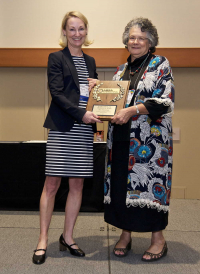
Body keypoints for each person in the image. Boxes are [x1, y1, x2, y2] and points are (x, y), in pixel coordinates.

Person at [32, 11, 101, 265]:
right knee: (52, 185)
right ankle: (42, 239)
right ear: (64, 32)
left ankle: (68, 237)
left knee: (77, 185)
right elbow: (57, 94)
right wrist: (81, 114)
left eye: (81, 29)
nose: (77, 34)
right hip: (63, 128)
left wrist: (97, 89)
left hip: (83, 131)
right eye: (72, 29)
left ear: (86, 31)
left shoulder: (91, 60)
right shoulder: (56, 58)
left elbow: (89, 95)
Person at [103, 17, 174, 261]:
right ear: (126, 41)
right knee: (122, 187)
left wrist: (132, 110)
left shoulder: (160, 64)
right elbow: (110, 103)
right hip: (121, 140)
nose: (135, 41)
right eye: (132, 37)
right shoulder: (120, 71)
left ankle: (158, 239)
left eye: (141, 38)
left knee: (151, 189)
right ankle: (125, 234)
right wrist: (97, 92)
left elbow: (165, 101)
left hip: (150, 144)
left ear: (150, 42)